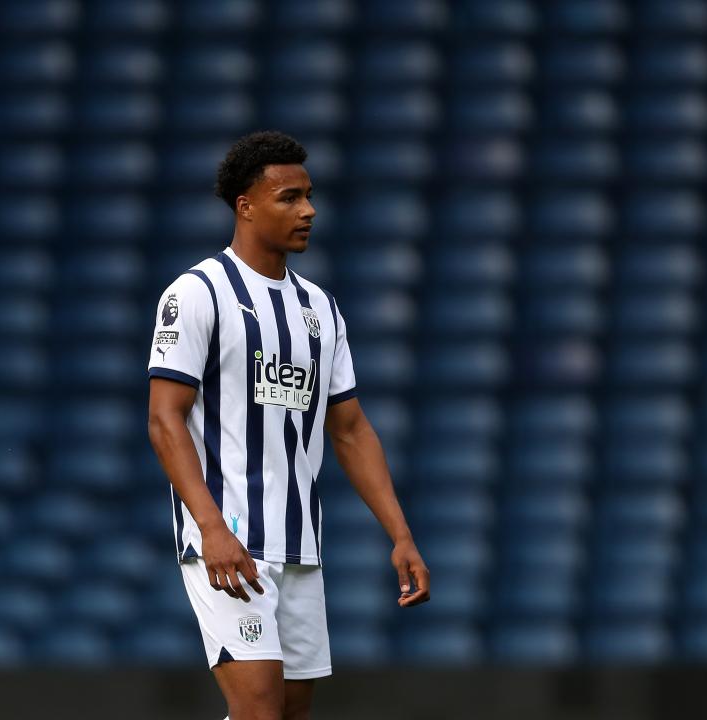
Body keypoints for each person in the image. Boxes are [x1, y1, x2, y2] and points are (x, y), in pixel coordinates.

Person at [147, 131, 430, 720]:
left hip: (300, 544)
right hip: (228, 541)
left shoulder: (320, 310)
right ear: (245, 206)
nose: (309, 211)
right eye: (290, 198)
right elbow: (163, 420)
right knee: (259, 712)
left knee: (291, 714)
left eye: (309, 196)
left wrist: (399, 534)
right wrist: (211, 528)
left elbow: (350, 429)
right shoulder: (197, 294)